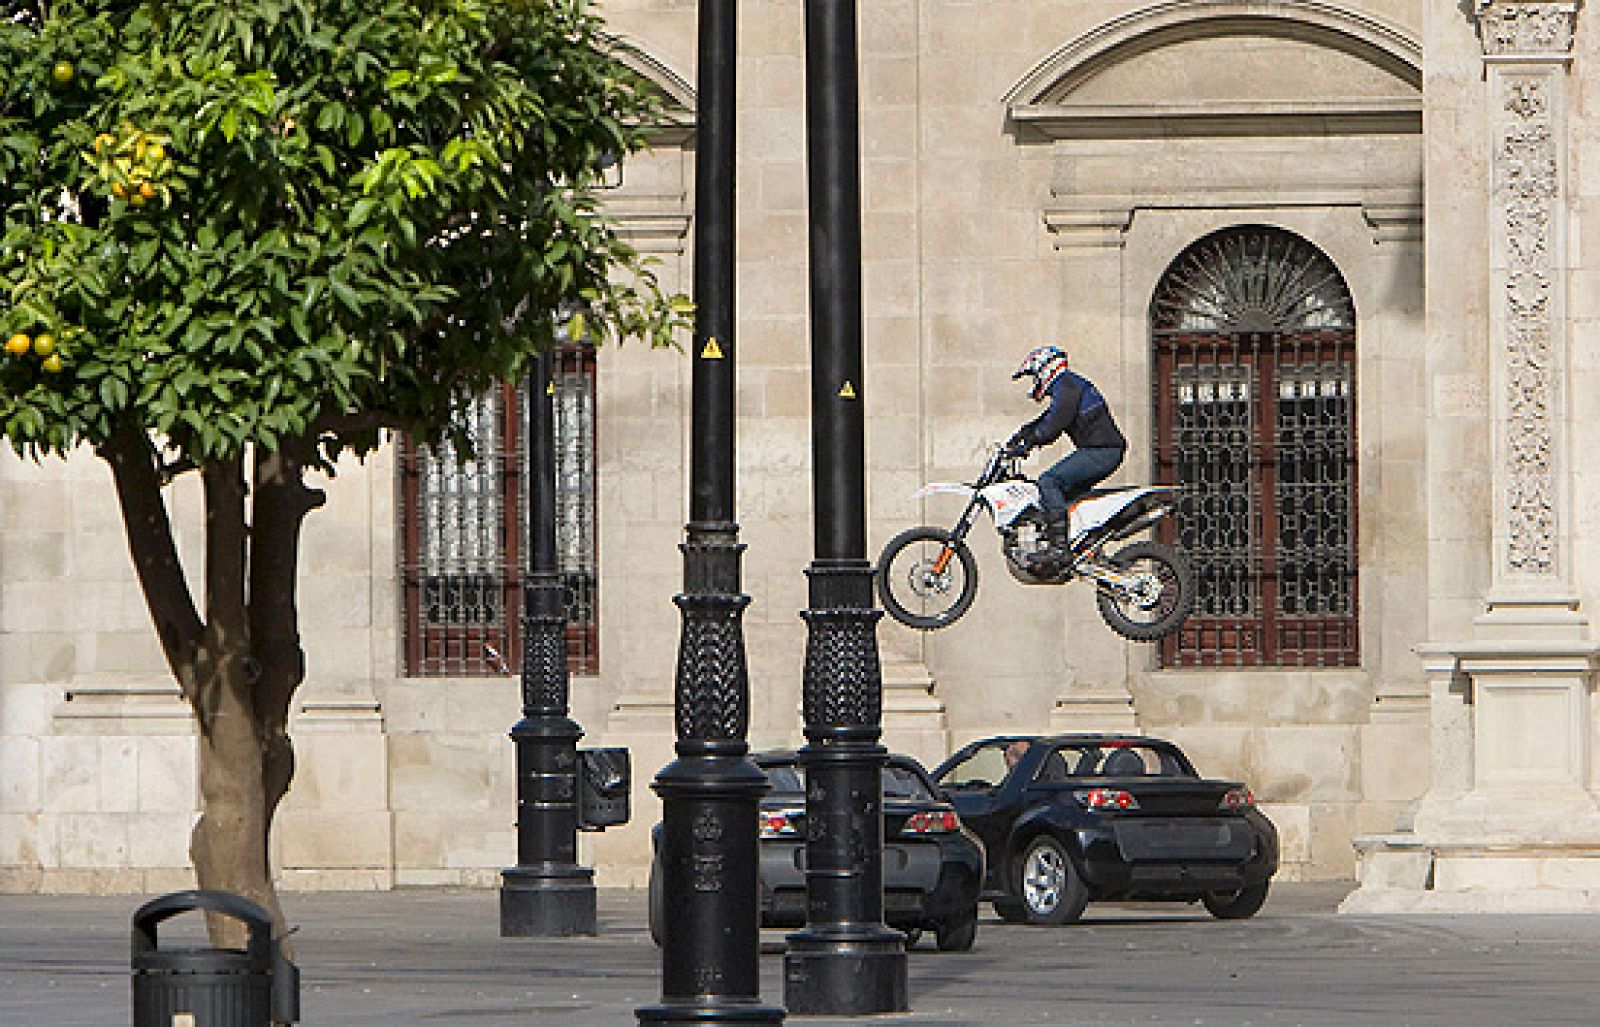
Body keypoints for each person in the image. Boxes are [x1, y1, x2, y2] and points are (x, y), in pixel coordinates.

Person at [1005, 345, 1127, 561]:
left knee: (1048, 481)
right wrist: (1022, 434)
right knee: (1064, 494)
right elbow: (1047, 418)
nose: (1034, 382)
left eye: (1034, 376)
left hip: (1102, 451)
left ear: (1045, 368)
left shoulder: (1068, 386)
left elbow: (1053, 425)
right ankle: (1084, 544)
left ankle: (1060, 548)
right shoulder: (1068, 386)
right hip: (1101, 451)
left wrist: (1028, 443)